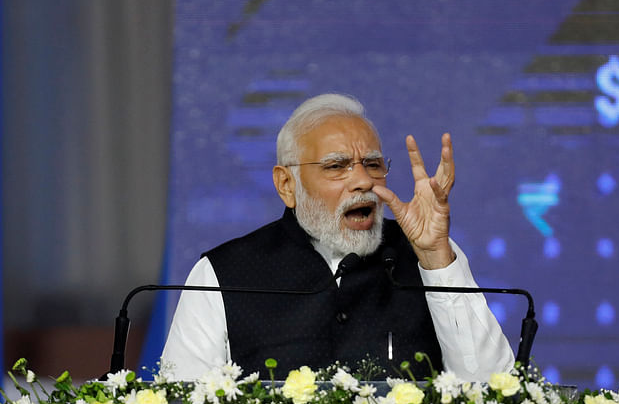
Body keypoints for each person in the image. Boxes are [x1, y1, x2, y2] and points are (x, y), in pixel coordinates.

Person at [161, 94, 514, 381]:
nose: (363, 181)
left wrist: (435, 257)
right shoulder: (221, 274)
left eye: (373, 164)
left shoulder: (429, 256)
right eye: (336, 166)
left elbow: (492, 389)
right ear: (287, 185)